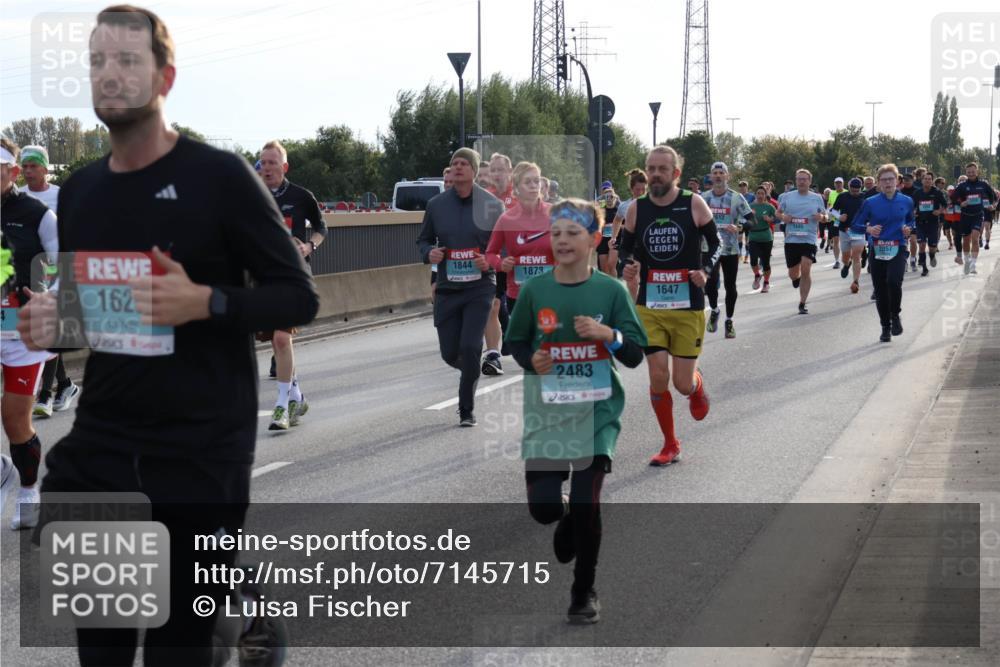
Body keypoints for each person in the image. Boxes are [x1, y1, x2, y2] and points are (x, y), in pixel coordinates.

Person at [15, 7, 319, 664]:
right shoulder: (82, 191)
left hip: (201, 443)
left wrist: (205, 300)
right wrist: (53, 321)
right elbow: (108, 307)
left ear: (165, 76)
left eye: (127, 60)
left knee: (175, 648)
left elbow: (299, 294)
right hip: (104, 445)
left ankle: (234, 609)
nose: (109, 75)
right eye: (97, 61)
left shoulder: (221, 177)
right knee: (101, 648)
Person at [506, 197, 646, 624]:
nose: (562, 240)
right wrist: (532, 360)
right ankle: (564, 512)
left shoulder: (611, 291)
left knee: (589, 504)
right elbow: (515, 342)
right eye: (556, 233)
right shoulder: (534, 290)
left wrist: (610, 335)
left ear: (595, 238)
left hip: (597, 415)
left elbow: (636, 355)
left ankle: (583, 591)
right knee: (545, 508)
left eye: (572, 233)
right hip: (548, 414)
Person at [619, 146, 716, 467]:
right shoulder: (637, 208)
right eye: (651, 168)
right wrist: (628, 265)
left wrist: (705, 270)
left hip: (688, 305)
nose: (655, 174)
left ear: (675, 173)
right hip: (651, 306)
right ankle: (670, 443)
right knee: (658, 376)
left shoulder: (693, 203)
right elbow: (624, 248)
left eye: (662, 169)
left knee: (681, 383)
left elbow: (717, 244)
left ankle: (697, 386)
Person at [416, 147, 504, 426]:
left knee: (469, 346)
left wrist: (488, 261)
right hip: (447, 287)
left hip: (479, 287)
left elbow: (500, 249)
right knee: (449, 352)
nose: (457, 167)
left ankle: (466, 409)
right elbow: (423, 240)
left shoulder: (492, 205)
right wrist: (429, 253)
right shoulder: (437, 205)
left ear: (475, 171)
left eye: (464, 163)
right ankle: (470, 369)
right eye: (454, 163)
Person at [1, 137, 57, 531]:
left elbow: (66, 265)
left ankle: (28, 490)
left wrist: (48, 296)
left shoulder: (38, 214)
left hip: (21, 333)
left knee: (14, 420)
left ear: (13, 172)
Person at [257, 139, 326, 430]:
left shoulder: (300, 196)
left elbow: (322, 227)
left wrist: (309, 246)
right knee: (275, 340)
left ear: (284, 167)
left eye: (273, 163)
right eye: (263, 163)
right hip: (263, 278)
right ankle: (297, 395)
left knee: (282, 340)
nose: (267, 168)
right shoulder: (252, 195)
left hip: (294, 276)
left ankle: (282, 407)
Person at [18, 145, 81, 418]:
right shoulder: (16, 197)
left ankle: (45, 395)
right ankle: (65, 384)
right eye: (25, 166)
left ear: (45, 167)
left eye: (34, 166)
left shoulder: (61, 195)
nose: (29, 171)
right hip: (26, 274)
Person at [851, 164, 913, 342]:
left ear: (897, 181)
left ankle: (895, 315)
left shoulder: (906, 201)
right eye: (884, 179)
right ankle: (885, 327)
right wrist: (869, 229)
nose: (887, 182)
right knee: (880, 290)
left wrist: (909, 228)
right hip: (877, 248)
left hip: (898, 246)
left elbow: (911, 221)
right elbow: (856, 224)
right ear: (878, 183)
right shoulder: (870, 203)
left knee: (894, 281)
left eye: (891, 179)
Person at [485, 161, 552, 315]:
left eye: (537, 180)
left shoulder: (555, 214)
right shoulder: (506, 219)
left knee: (548, 339)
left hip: (551, 294)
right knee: (522, 339)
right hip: (518, 295)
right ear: (516, 187)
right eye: (527, 182)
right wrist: (501, 264)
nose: (534, 185)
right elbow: (490, 253)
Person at [701, 162, 754, 338]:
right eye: (714, 173)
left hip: (730, 249)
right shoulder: (703, 197)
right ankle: (715, 310)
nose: (717, 176)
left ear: (727, 176)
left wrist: (739, 226)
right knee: (710, 282)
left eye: (721, 173)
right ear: (711, 176)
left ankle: (729, 320)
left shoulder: (737, 197)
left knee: (730, 285)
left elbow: (752, 220)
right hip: (708, 247)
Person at [482, 152, 516, 375]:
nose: (496, 174)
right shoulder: (483, 197)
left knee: (520, 309)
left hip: (519, 263)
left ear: (510, 172)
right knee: (492, 305)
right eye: (493, 170)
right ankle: (493, 355)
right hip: (496, 260)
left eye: (500, 169)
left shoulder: (521, 195)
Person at [777, 169, 826, 314]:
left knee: (806, 268)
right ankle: (795, 279)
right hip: (791, 239)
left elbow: (826, 215)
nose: (802, 181)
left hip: (809, 239)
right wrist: (783, 217)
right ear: (796, 181)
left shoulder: (816, 198)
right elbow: (777, 212)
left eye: (805, 179)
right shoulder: (787, 197)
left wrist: (822, 218)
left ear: (809, 181)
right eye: (799, 179)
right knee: (793, 273)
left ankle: (802, 303)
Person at [953, 162, 997, 275]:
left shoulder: (983, 184)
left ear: (977, 172)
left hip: (978, 215)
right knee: (966, 240)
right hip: (965, 216)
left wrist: (992, 204)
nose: (971, 174)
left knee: (975, 238)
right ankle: (967, 260)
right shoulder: (962, 186)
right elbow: (953, 197)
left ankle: (973, 264)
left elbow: (993, 195)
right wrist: (961, 203)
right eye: (969, 172)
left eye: (973, 172)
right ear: (966, 173)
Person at [609, 168, 648, 277]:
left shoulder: (653, 204)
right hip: (629, 245)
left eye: (643, 189)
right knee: (632, 275)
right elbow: (617, 220)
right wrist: (613, 237)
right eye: (637, 189)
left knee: (644, 275)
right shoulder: (624, 205)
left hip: (647, 244)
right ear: (631, 189)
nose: (640, 192)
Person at [836, 178, 868, 293]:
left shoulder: (865, 197)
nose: (855, 192)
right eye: (853, 190)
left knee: (857, 256)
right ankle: (846, 264)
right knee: (845, 256)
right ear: (849, 187)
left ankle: (856, 280)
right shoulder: (842, 196)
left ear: (861, 188)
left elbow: (870, 212)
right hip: (844, 230)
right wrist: (839, 217)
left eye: (857, 190)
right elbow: (832, 210)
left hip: (859, 231)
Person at [912, 171, 948, 276]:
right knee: (922, 245)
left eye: (929, 179)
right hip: (920, 223)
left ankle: (932, 256)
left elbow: (945, 205)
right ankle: (924, 268)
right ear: (922, 180)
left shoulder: (937, 192)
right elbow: (911, 206)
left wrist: (939, 211)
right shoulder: (917, 193)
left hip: (933, 223)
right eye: (925, 179)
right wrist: (913, 212)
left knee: (932, 247)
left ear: (932, 181)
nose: (927, 180)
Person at [748, 186, 776, 293]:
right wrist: (749, 218)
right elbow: (743, 218)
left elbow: (777, 218)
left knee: (766, 262)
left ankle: (766, 283)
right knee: (753, 260)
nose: (760, 195)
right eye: (758, 193)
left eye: (762, 194)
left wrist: (770, 219)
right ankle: (757, 275)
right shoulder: (750, 206)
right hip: (753, 236)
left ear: (765, 195)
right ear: (755, 194)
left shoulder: (769, 207)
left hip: (766, 237)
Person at [596, 181, 620, 277]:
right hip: (603, 239)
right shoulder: (600, 205)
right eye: (606, 196)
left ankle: (615, 287)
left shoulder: (618, 206)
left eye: (611, 196)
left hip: (614, 238)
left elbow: (624, 224)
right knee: (603, 268)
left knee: (611, 265)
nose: (609, 198)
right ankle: (606, 287)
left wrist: (613, 226)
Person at [826, 177, 845, 268]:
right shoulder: (832, 193)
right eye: (836, 183)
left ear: (843, 184)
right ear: (834, 184)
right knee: (836, 240)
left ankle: (847, 258)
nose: (838, 185)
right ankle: (837, 261)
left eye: (840, 183)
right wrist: (828, 213)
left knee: (845, 241)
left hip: (845, 221)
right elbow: (829, 205)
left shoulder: (846, 192)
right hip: (835, 221)